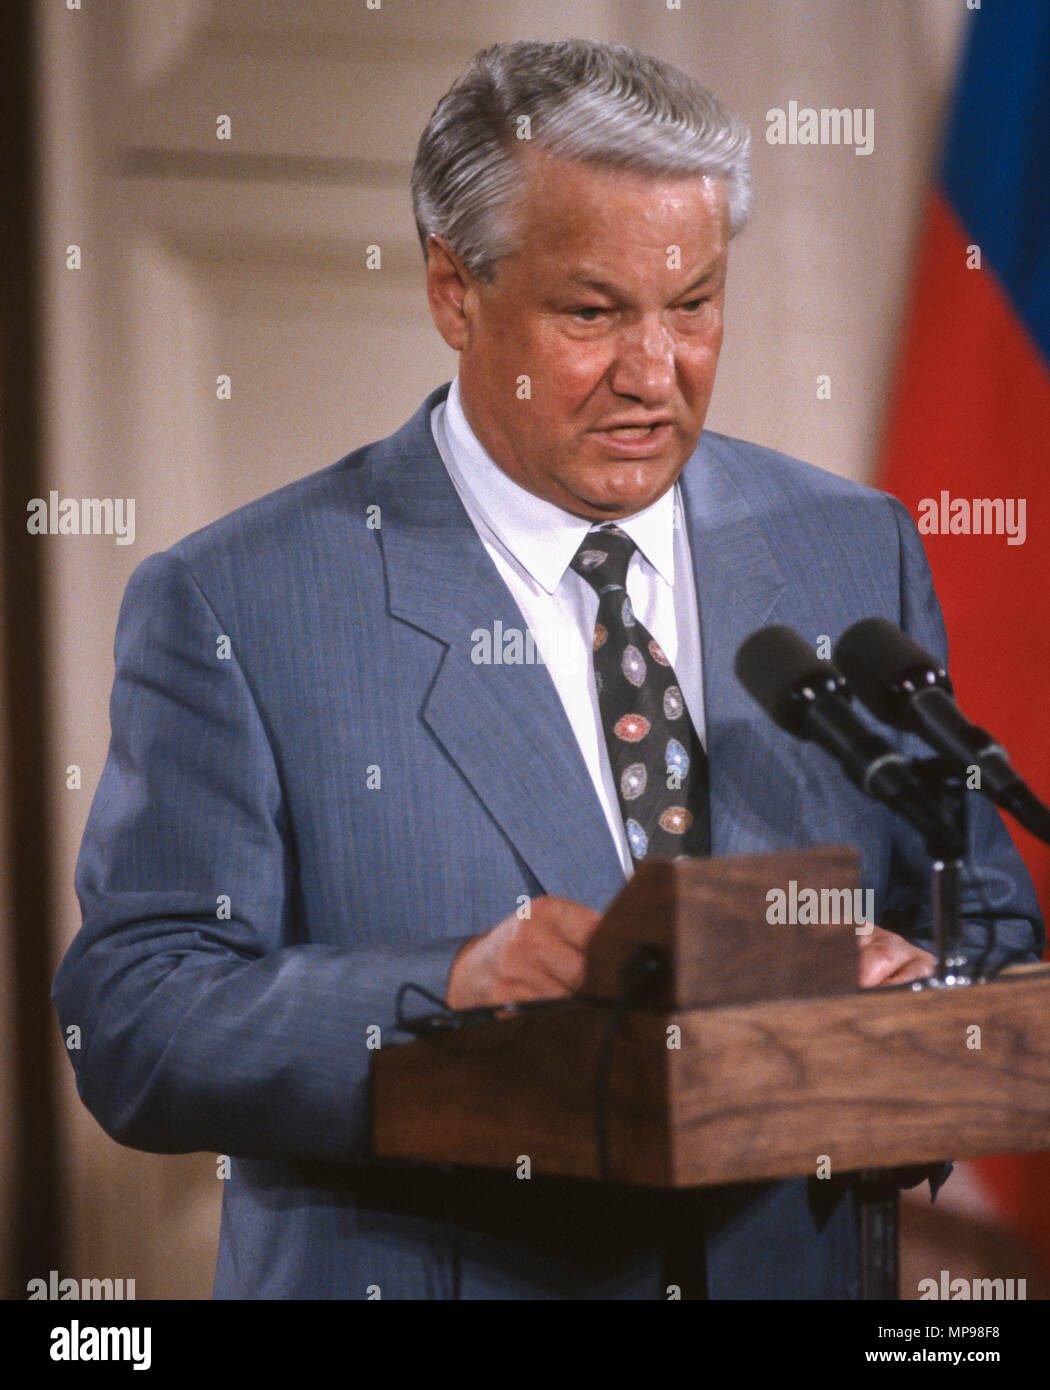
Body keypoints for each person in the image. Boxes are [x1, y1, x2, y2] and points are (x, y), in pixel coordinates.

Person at [53, 38, 1042, 1300]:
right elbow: (133, 1020)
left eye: (693, 305)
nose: (654, 373)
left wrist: (908, 990)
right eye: (593, 312)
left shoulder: (849, 549)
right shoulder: (242, 600)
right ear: (454, 291)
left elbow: (985, 921)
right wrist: (451, 983)